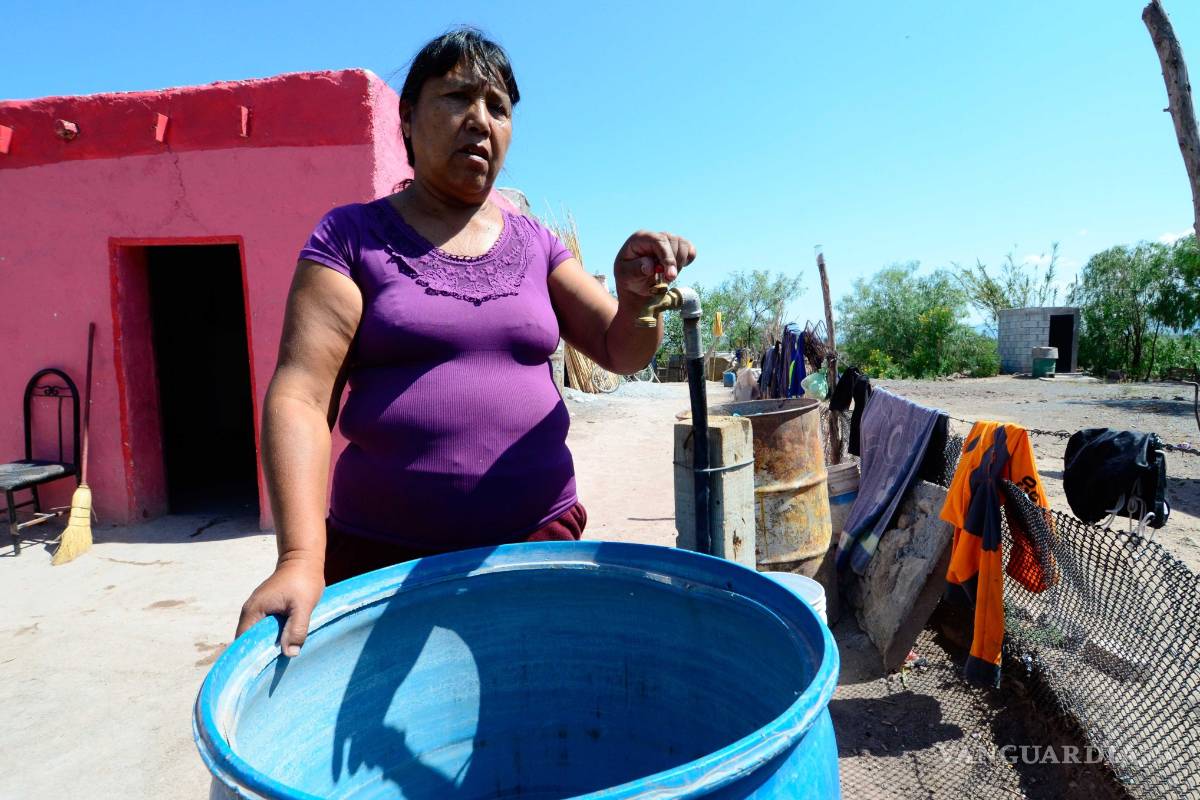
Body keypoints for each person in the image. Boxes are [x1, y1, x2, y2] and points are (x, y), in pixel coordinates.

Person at [235, 28, 695, 656]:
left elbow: (620, 351)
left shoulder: (536, 243)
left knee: (537, 729)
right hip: (380, 560)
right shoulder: (351, 237)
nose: (480, 120)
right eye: (457, 97)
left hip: (536, 544)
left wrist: (638, 303)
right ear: (407, 116)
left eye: (499, 107)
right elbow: (300, 397)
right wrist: (298, 557)